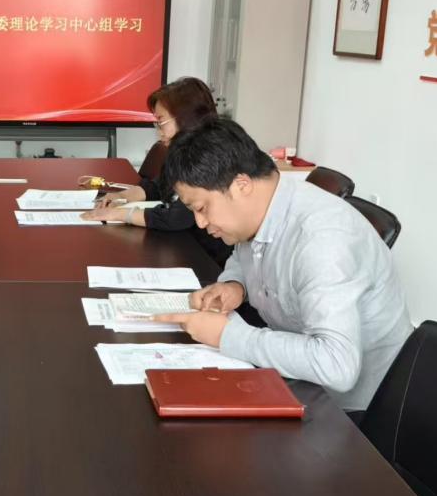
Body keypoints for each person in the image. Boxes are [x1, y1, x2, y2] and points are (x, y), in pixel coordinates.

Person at [152, 115, 413, 412]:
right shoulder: (262, 209)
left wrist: (228, 336)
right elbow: (243, 256)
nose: (200, 222)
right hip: (297, 378)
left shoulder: (323, 241)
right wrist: (235, 285)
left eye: (202, 208)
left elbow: (337, 365)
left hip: (355, 410)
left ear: (241, 185)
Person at [79, 77, 231, 266]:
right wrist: (122, 197)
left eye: (160, 121)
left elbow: (177, 218)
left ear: (185, 118)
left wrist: (119, 214)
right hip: (181, 245)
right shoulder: (180, 150)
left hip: (206, 258)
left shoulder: (208, 155)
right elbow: (157, 186)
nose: (158, 130)